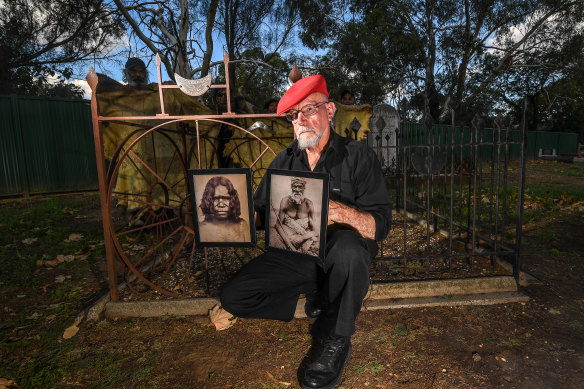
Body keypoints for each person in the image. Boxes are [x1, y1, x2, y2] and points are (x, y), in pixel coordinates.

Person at [219, 75, 391, 389]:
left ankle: (335, 337)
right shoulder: (284, 160)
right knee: (233, 296)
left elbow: (379, 225)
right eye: (294, 114)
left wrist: (337, 211)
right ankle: (325, 296)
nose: (301, 120)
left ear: (330, 110)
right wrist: (225, 216)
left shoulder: (358, 156)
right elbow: (260, 214)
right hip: (297, 252)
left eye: (309, 109)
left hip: (342, 253)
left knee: (349, 249)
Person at [271, 177, 319, 255]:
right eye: (295, 186)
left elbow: (315, 228)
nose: (297, 190)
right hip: (288, 235)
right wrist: (289, 245)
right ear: (291, 187)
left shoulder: (308, 203)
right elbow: (278, 224)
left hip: (303, 235)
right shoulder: (285, 201)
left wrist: (303, 237)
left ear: (304, 188)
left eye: (300, 187)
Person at [198, 176, 250, 243]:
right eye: (215, 199)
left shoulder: (242, 225)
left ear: (232, 200)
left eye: (226, 198)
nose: (221, 205)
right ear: (209, 201)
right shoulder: (202, 229)